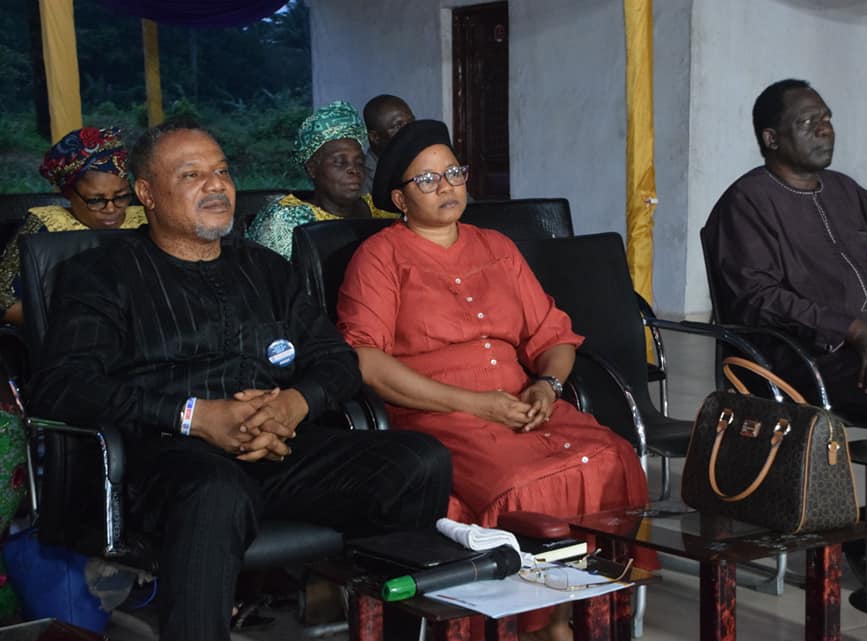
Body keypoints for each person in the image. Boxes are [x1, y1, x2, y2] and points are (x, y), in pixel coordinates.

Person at [29, 119, 452, 641]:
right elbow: (64, 385)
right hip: (165, 459)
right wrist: (196, 416)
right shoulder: (102, 274)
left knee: (418, 462)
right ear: (147, 194)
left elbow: (338, 360)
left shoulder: (266, 269)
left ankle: (388, 630)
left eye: (223, 172)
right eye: (192, 175)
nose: (216, 185)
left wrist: (294, 404)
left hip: (277, 449)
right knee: (216, 491)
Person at [337, 120, 654, 641]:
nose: (446, 186)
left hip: (521, 402)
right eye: (427, 179)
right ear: (398, 198)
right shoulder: (380, 257)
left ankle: (576, 615)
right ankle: (524, 625)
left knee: (610, 455)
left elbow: (553, 334)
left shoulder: (497, 247)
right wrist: (476, 404)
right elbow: (366, 362)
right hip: (437, 413)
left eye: (454, 173)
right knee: (522, 483)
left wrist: (548, 386)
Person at [702, 78, 867, 580]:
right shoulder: (748, 202)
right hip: (808, 358)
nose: (824, 129)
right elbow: (756, 298)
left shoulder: (848, 192)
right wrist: (854, 330)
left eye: (827, 119)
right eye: (808, 122)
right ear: (772, 138)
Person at [0, 127, 146, 325]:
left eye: (121, 196)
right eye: (96, 200)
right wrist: (70, 323)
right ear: (68, 194)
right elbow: (3, 300)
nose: (111, 209)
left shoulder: (144, 219)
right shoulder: (47, 225)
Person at [246, 101, 395, 259]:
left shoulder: (380, 209)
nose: (354, 169)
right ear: (312, 169)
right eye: (339, 162)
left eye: (359, 162)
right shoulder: (286, 221)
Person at [362, 94, 415, 194]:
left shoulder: (418, 162)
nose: (410, 131)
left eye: (412, 122)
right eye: (398, 125)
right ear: (375, 137)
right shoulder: (361, 179)